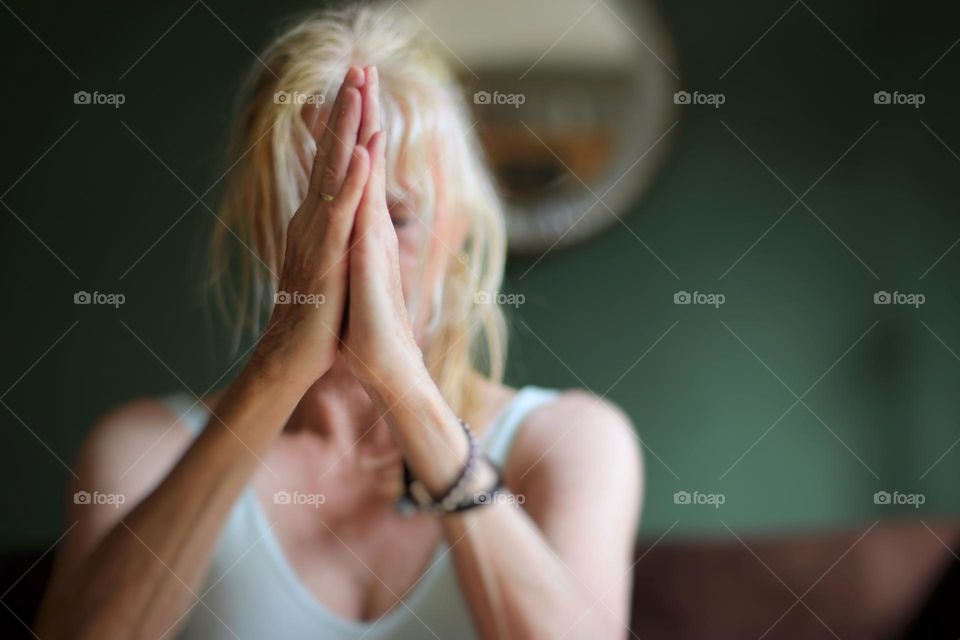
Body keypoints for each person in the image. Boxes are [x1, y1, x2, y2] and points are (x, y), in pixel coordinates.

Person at [35, 6, 642, 639]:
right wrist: (276, 372)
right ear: (262, 233)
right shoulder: (142, 450)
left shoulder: (569, 442)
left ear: (457, 230)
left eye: (395, 218)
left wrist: (407, 393)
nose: (355, 252)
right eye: (315, 219)